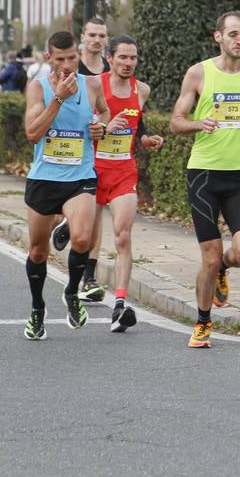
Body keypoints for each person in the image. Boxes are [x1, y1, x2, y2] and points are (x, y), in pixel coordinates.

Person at [169, 11, 240, 349]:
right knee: (210, 257)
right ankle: (202, 322)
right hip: (203, 175)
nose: (239, 40)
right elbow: (176, 121)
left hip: (239, 175)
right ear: (218, 36)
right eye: (233, 34)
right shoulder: (199, 73)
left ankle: (222, 272)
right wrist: (199, 124)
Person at [20, 31, 110, 341]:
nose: (69, 65)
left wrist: (101, 127)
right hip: (45, 178)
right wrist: (58, 97)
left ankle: (72, 291)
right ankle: (37, 308)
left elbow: (104, 112)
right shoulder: (38, 88)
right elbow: (33, 133)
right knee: (37, 252)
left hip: (80, 176)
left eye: (73, 57)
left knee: (83, 239)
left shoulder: (92, 85)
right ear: (49, 59)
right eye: (61, 59)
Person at [90, 35, 163, 332]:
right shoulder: (94, 85)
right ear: (110, 58)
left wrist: (146, 140)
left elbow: (137, 127)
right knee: (83, 238)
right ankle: (79, 280)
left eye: (133, 58)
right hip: (92, 169)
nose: (128, 63)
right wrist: (104, 127)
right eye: (123, 57)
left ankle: (119, 304)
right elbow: (82, 124)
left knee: (122, 237)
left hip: (123, 171)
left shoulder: (141, 90)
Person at [59, 16, 113, 301]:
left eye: (101, 36)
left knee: (96, 212)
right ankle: (67, 222)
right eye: (91, 35)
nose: (96, 40)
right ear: (82, 37)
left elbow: (111, 107)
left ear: (106, 39)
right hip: (65, 151)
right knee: (71, 211)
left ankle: (89, 277)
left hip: (98, 150)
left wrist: (102, 127)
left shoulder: (109, 69)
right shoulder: (69, 65)